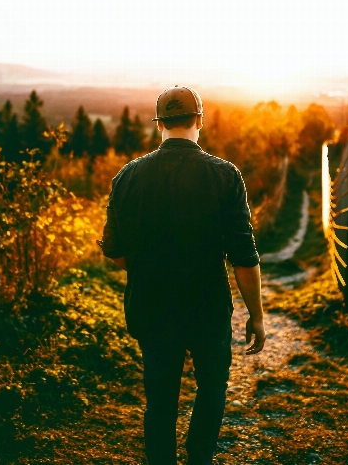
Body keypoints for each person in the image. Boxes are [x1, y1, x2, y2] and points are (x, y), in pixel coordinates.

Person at [99, 85, 266, 465]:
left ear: (159, 124)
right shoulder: (225, 176)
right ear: (199, 121)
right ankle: (199, 456)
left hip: (151, 308)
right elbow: (244, 256)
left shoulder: (127, 177)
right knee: (212, 390)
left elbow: (114, 251)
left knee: (159, 400)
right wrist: (255, 316)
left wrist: (145, 265)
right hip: (208, 310)